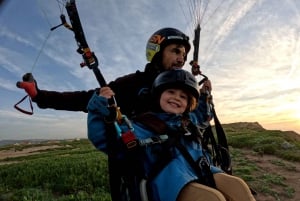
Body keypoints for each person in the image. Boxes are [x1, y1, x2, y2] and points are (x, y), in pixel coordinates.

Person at [87, 69, 256, 201]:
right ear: (159, 94)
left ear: (188, 105)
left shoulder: (188, 122)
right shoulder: (143, 125)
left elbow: (203, 116)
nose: (177, 98)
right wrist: (100, 106)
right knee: (212, 198)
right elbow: (105, 137)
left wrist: (205, 95)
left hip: (202, 171)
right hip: (168, 182)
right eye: (171, 92)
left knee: (238, 186)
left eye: (183, 96)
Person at [17, 27, 211, 120]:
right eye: (175, 51)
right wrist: (40, 96)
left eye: (184, 55)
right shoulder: (134, 83)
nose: (181, 59)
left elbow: (199, 118)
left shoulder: (185, 90)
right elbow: (84, 99)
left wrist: (205, 97)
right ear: (158, 53)